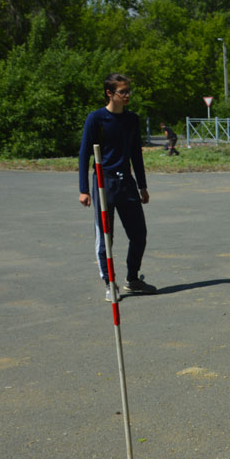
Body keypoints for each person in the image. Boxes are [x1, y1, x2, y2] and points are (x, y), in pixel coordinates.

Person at [78, 74, 157, 302]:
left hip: (127, 184)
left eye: (128, 90)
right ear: (109, 93)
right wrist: (84, 189)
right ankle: (109, 284)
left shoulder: (132, 119)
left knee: (139, 234)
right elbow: (85, 155)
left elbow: (135, 155)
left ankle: (132, 279)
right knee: (105, 238)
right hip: (104, 183)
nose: (127, 95)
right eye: (123, 91)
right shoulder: (96, 119)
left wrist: (142, 185)